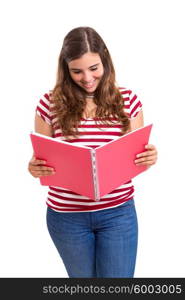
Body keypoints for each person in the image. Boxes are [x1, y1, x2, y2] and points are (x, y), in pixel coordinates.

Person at [28, 26, 158, 278]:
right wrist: (34, 167)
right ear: (66, 70)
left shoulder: (128, 101)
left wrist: (148, 158)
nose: (86, 78)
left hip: (118, 214)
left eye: (94, 68)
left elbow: (135, 158)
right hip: (66, 218)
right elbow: (41, 161)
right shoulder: (49, 103)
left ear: (105, 62)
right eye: (77, 71)